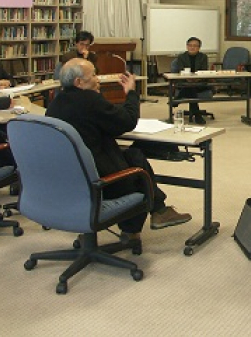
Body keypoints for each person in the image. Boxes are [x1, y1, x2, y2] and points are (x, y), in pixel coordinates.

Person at [46, 58, 191, 244]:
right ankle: (144, 221)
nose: (98, 79)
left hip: (70, 181)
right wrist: (131, 93)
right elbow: (127, 121)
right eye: (93, 75)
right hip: (101, 182)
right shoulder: (89, 100)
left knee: (130, 154)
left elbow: (98, 121)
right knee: (136, 161)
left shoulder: (55, 104)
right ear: (79, 82)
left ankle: (155, 213)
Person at [172, 37, 210, 124]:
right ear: (187, 46)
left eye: (195, 46)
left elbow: (203, 71)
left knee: (190, 87)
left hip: (199, 82)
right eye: (190, 45)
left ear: (199, 48)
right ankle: (197, 115)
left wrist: (195, 79)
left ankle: (179, 97)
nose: (192, 47)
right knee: (190, 87)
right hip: (185, 81)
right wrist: (189, 79)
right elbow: (181, 70)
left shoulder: (203, 57)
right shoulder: (181, 57)